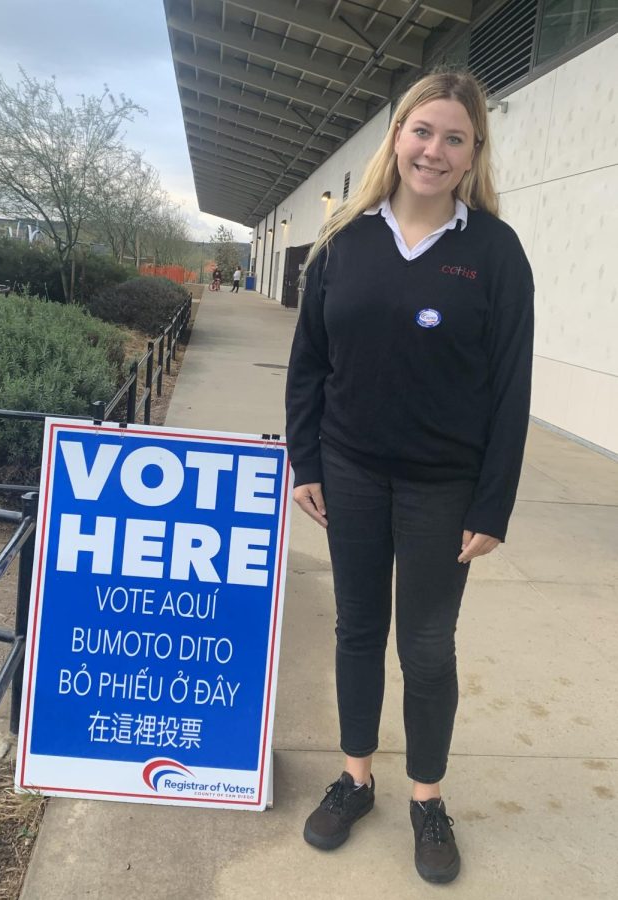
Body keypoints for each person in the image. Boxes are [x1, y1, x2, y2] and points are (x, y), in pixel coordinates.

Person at [285, 70, 534, 885]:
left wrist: (491, 503)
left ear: (472, 153)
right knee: (357, 630)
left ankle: (426, 798)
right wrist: (306, 459)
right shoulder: (344, 242)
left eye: (453, 137)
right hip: (351, 473)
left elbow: (510, 386)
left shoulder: (493, 252)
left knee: (426, 649)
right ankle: (355, 780)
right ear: (397, 137)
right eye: (421, 130)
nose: (433, 149)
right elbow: (309, 363)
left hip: (443, 487)